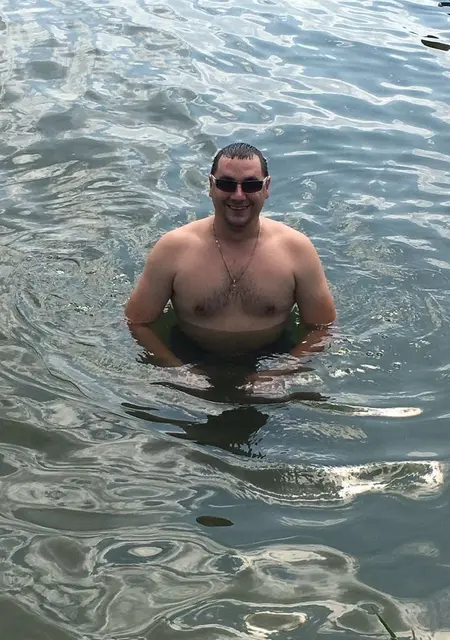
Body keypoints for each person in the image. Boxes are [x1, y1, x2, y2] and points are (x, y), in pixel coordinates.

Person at [125, 142, 336, 372]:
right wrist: (178, 372)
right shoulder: (174, 249)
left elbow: (323, 328)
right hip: (188, 355)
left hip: (274, 356)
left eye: (251, 185)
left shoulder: (296, 250)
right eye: (226, 184)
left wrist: (280, 374)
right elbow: (137, 323)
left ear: (266, 187)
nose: (238, 195)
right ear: (211, 186)